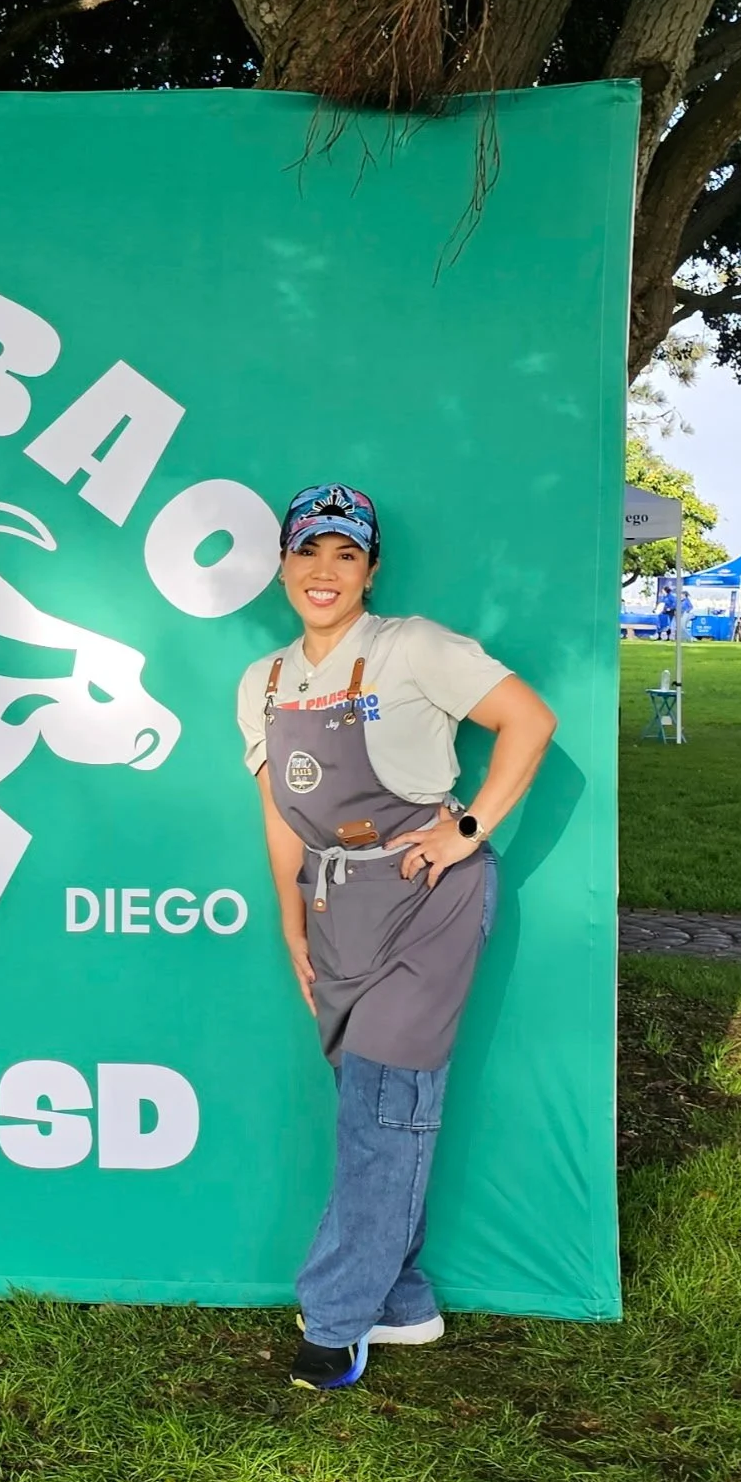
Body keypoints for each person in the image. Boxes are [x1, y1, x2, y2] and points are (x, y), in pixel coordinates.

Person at [237, 483, 557, 1391]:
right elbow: (277, 816)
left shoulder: (412, 646)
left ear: (371, 568)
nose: (324, 572)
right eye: (308, 552)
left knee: (381, 1105)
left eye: (346, 554)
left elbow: (529, 720)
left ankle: (333, 1322)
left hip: (427, 902)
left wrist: (468, 830)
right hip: (336, 907)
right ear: (284, 566)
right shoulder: (261, 682)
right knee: (377, 1105)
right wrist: (292, 923)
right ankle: (404, 1300)